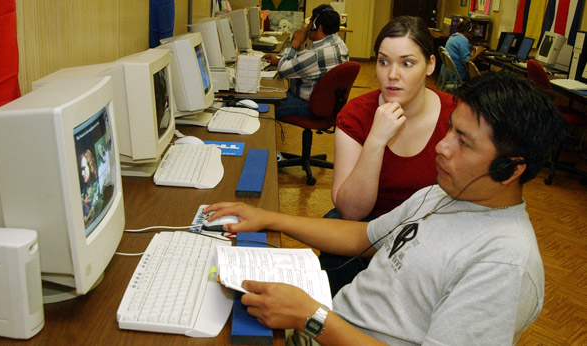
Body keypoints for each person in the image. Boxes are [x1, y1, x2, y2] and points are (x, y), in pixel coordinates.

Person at [203, 72, 566, 345]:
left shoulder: (504, 264)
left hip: (320, 328)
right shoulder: (442, 194)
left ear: (510, 169)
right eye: (450, 130)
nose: (442, 147)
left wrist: (308, 316)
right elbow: (363, 235)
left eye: (464, 143)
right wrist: (269, 217)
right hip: (326, 324)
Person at [323, 16, 457, 296]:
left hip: (432, 233)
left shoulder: (456, 116)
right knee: (334, 226)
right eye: (384, 62)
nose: (392, 74)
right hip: (370, 229)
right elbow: (351, 211)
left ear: (430, 65)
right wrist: (376, 139)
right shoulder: (357, 114)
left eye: (407, 63)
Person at [263, 5, 349, 119]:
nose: (307, 27)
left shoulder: (317, 55)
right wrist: (279, 60)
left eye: (310, 22)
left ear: (317, 27)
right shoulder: (338, 42)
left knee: (265, 104)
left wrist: (295, 43)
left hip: (308, 105)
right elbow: (304, 60)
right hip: (328, 103)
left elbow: (283, 70)